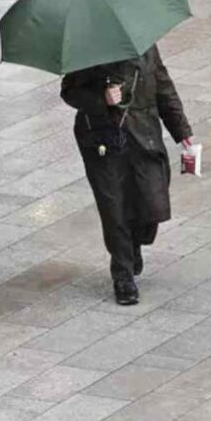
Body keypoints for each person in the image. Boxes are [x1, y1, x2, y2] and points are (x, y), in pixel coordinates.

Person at [61, 44, 193, 305]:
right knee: (114, 206)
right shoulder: (87, 49)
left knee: (152, 199)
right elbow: (69, 92)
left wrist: (183, 131)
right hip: (103, 140)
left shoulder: (146, 46)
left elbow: (163, 87)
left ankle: (135, 242)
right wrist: (102, 98)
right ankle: (122, 275)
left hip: (144, 134)